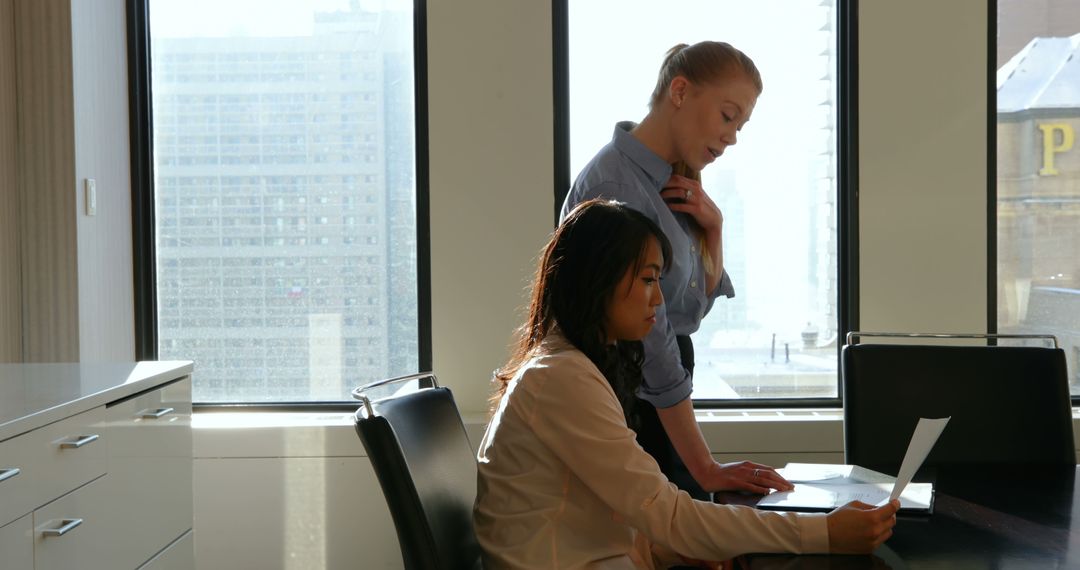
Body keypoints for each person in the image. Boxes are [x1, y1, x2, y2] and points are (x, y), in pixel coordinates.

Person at [474, 199, 899, 569]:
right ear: (597, 279)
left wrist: (670, 553)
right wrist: (823, 534)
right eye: (647, 279)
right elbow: (668, 515)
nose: (657, 299)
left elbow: (609, 516)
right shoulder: (561, 378)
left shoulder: (567, 368)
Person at [561, 41, 784, 501]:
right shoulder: (616, 186)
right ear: (679, 91)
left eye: (740, 126)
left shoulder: (671, 186)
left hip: (655, 396)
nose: (732, 137)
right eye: (727, 116)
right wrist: (703, 465)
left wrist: (715, 229)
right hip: (630, 400)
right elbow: (655, 338)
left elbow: (687, 316)